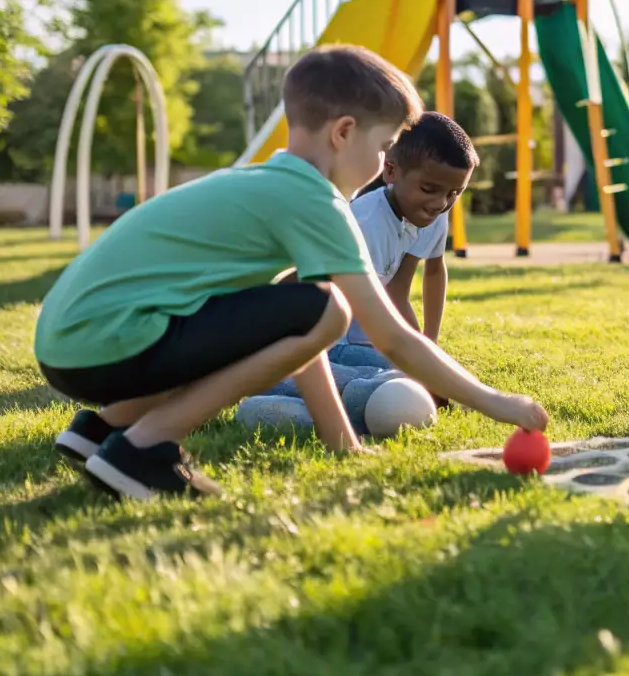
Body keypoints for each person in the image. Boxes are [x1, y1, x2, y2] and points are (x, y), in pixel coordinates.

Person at [35, 45, 548, 500]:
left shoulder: (267, 181)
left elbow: (295, 330)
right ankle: (142, 447)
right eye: (385, 146)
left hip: (71, 342)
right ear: (345, 133)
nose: (384, 161)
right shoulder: (316, 201)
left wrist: (342, 444)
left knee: (306, 306)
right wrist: (494, 401)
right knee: (326, 308)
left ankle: (103, 430)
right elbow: (389, 336)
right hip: (106, 344)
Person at [328, 111, 476, 371]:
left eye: (454, 193)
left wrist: (429, 342)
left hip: (370, 339)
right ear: (391, 171)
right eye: (428, 189)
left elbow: (425, 275)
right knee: (401, 375)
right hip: (333, 342)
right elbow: (377, 305)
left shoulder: (431, 213)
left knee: (420, 371)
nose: (441, 203)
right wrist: (418, 356)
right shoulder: (366, 223)